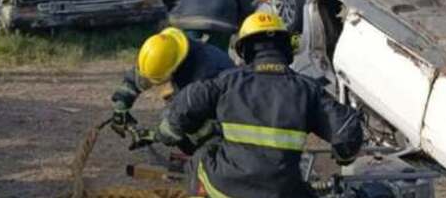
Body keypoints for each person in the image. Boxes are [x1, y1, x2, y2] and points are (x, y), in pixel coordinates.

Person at [131, 12, 364, 198]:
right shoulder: (308, 89)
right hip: (281, 192)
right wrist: (343, 157)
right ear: (286, 46)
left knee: (200, 158)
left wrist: (166, 133)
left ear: (244, 50)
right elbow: (347, 132)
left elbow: (186, 103)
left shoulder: (227, 82)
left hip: (224, 187)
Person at [109, 27, 234, 137]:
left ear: (174, 68)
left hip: (227, 116)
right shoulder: (169, 48)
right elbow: (142, 74)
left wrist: (156, 135)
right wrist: (121, 105)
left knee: (175, 123)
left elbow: (185, 115)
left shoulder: (203, 75)